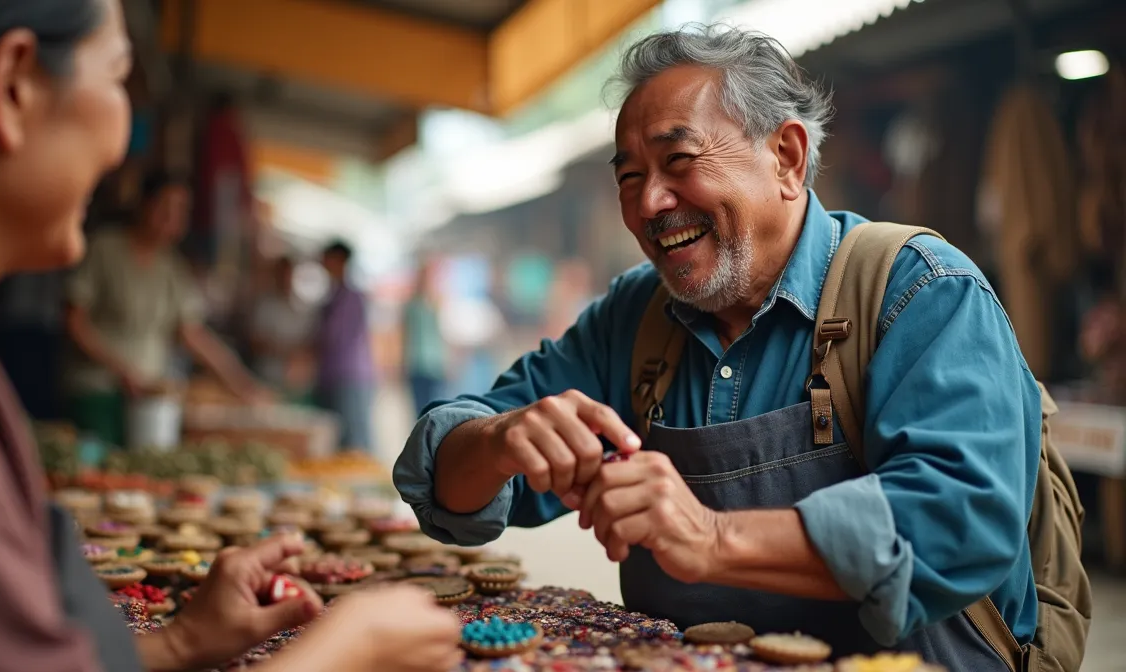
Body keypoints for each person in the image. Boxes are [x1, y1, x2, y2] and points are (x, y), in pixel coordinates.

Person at [0, 1, 462, 670]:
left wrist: (178, 642)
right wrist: (345, 651)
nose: (127, 141)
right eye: (119, 77)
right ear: (13, 86)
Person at [395, 25, 1044, 669]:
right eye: (629, 176)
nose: (649, 202)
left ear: (786, 158)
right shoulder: (633, 317)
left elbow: (963, 519)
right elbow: (442, 479)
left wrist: (711, 536)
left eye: (679, 161)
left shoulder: (921, 290)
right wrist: (499, 439)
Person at [63, 169, 266, 447]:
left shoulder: (172, 268)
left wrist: (240, 382)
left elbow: (192, 334)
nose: (173, 218)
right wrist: (122, 370)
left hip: (147, 398)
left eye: (182, 210)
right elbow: (75, 322)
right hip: (97, 392)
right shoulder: (105, 249)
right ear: (144, 204)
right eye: (165, 206)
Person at [315, 240, 377, 452]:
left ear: (339, 260)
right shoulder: (335, 295)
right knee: (343, 442)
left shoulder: (350, 297)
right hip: (338, 377)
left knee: (354, 442)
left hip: (349, 377)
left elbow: (332, 338)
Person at [247, 255, 316, 403]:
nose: (286, 278)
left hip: (295, 382)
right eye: (282, 274)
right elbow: (255, 342)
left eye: (289, 274)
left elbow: (309, 346)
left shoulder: (303, 308)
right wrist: (284, 349)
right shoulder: (265, 305)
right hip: (267, 376)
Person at [403, 260, 448, 417]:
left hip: (435, 365)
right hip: (416, 363)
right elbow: (405, 334)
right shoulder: (411, 305)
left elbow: (446, 334)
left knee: (437, 409)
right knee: (419, 410)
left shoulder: (438, 303)